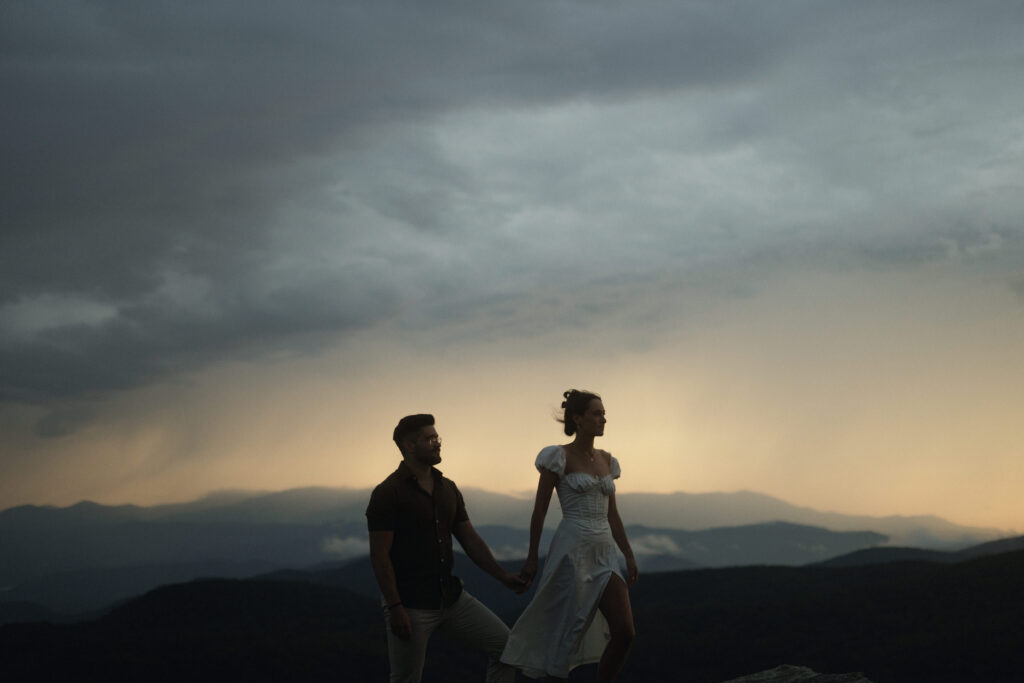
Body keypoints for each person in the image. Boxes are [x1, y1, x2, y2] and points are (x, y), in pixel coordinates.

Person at [366, 413, 525, 683]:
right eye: (429, 439)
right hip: (411, 604)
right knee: (406, 678)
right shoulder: (388, 493)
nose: (437, 443)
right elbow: (380, 555)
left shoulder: (447, 488)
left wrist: (503, 576)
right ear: (409, 446)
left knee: (506, 647)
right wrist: (394, 607)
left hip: (452, 598)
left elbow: (470, 540)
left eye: (437, 437)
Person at [501, 390, 638, 681]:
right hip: (573, 548)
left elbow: (612, 514)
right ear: (578, 419)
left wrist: (628, 553)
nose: (603, 419)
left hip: (604, 552)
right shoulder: (558, 457)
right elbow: (539, 512)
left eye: (603, 413)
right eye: (596, 413)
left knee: (625, 632)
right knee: (566, 633)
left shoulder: (607, 460)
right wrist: (531, 558)